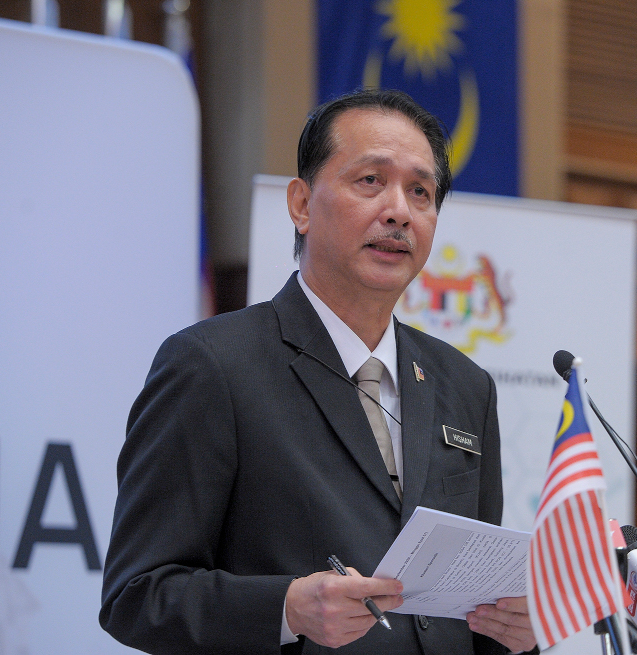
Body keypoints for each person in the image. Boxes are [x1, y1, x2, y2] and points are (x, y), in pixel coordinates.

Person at [100, 89, 537, 654]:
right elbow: (138, 595)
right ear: (302, 204)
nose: (399, 210)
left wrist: (519, 635)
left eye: (421, 192)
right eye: (370, 181)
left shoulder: (465, 386)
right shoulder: (213, 366)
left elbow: (466, 610)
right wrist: (286, 609)